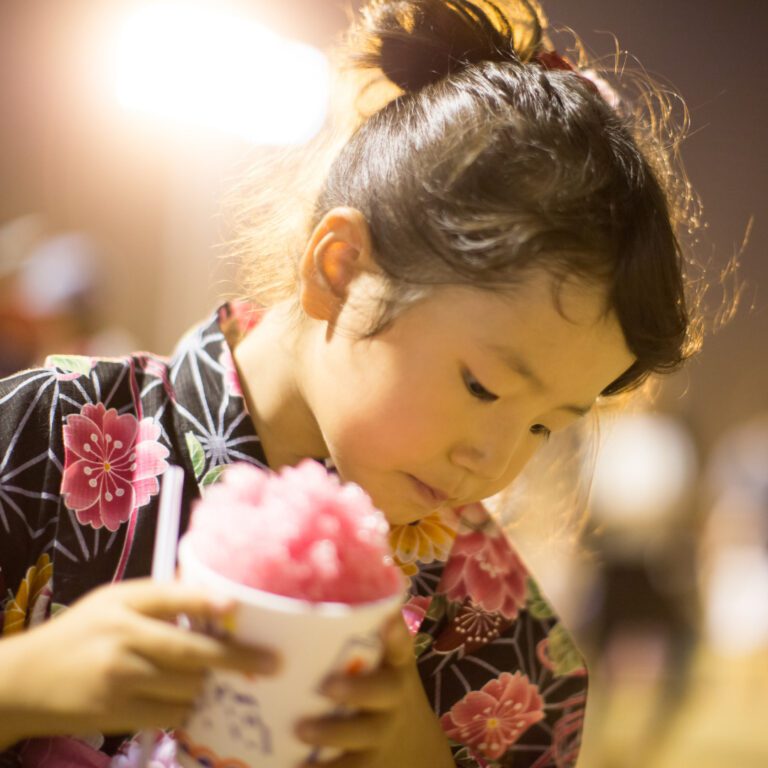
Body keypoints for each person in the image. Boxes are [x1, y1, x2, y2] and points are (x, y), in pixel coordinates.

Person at [0, 0, 705, 765]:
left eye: (544, 426)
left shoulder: (506, 649)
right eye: (482, 387)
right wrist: (22, 686)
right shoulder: (45, 435)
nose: (494, 462)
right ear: (339, 270)